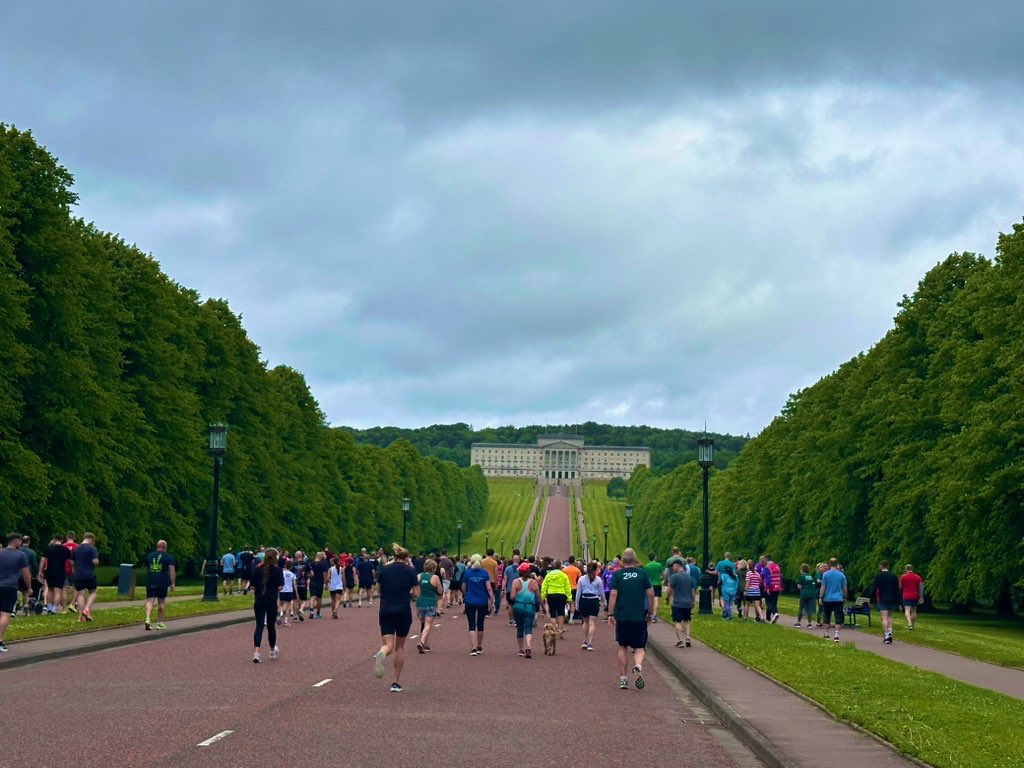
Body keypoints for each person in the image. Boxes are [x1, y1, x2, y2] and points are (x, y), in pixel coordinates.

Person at [373, 544, 419, 692]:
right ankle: (395, 682)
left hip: (386, 609)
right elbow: (417, 594)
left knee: (388, 645)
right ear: (406, 558)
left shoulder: (385, 569)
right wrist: (407, 593)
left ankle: (382, 652)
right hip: (403, 610)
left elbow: (378, 589)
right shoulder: (410, 571)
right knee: (400, 647)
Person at [608, 548, 654, 690]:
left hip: (622, 615)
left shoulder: (618, 575)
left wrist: (610, 613)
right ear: (635, 560)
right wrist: (650, 612)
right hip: (638, 615)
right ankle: (638, 665)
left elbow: (614, 595)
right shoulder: (642, 574)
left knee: (622, 647)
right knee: (639, 647)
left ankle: (623, 679)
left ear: (622, 560)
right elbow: (650, 593)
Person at [0, 533, 33, 653]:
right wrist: (29, 587)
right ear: (16, 541)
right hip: (10, 586)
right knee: (5, 613)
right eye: (20, 540)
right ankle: (0, 640)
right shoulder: (21, 555)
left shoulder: (0, 552)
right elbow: (26, 573)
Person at [251, 548, 283, 662]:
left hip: (259, 600)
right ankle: (272, 650)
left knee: (259, 625)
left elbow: (253, 586)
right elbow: (280, 586)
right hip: (271, 600)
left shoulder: (258, 569)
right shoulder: (277, 570)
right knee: (271, 626)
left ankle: (257, 652)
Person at [461, 553, 494, 656]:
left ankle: (473, 647)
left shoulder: (467, 573)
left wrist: (466, 595)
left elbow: (463, 587)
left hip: (470, 600)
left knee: (471, 625)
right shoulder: (484, 573)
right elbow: (488, 588)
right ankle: (479, 646)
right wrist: (491, 600)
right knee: (480, 624)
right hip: (482, 600)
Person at [143, 540, 176, 630]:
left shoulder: (150, 556)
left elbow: (147, 568)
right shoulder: (169, 557)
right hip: (162, 582)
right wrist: (173, 583)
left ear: (157, 546)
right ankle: (159, 622)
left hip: (151, 581)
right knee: (161, 602)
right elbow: (172, 570)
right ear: (165, 547)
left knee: (150, 601)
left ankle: (148, 619)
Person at [510, 562, 541, 657]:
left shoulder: (516, 581)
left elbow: (512, 596)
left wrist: (516, 598)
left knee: (519, 628)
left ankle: (520, 649)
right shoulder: (533, 582)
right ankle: (528, 645)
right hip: (529, 607)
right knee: (528, 628)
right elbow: (538, 597)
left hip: (518, 607)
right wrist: (542, 607)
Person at [575, 560, 606, 650]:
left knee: (585, 622)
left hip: (584, 600)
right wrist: (604, 602)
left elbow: (578, 593)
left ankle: (584, 641)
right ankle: (590, 643)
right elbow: (601, 593)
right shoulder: (598, 580)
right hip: (594, 601)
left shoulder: (581, 579)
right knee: (592, 623)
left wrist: (577, 603)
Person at [665, 558, 695, 647]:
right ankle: (688, 637)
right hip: (687, 603)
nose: (672, 569)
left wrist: (667, 598)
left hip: (677, 603)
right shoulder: (689, 577)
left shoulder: (675, 577)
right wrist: (693, 602)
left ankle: (680, 641)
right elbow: (693, 591)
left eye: (673, 567)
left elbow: (670, 590)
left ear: (677, 566)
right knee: (687, 621)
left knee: (677, 622)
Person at [870, 560, 902, 644]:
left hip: (882, 599)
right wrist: (899, 602)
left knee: (884, 617)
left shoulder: (878, 576)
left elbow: (874, 589)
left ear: (881, 566)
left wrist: (870, 599)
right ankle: (890, 631)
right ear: (888, 566)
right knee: (890, 616)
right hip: (892, 599)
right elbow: (897, 590)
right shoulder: (894, 576)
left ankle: (886, 635)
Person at [415, 559, 443, 653]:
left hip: (420, 603)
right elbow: (440, 591)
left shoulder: (418, 576)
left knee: (423, 624)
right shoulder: (434, 577)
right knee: (428, 625)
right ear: (433, 568)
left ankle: (426, 644)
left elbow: (414, 590)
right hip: (430, 602)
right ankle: (422, 642)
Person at [819, 558, 848, 643]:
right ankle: (836, 635)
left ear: (829, 564)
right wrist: (845, 596)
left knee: (827, 616)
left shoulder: (825, 575)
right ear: (837, 564)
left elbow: (823, 587)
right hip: (838, 598)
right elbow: (844, 588)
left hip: (828, 598)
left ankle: (827, 633)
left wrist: (821, 597)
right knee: (838, 617)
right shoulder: (841, 575)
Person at [40, 535, 70, 614]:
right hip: (60, 572)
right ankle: (54, 609)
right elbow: (70, 561)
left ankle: (49, 608)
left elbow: (42, 560)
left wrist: (40, 571)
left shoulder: (48, 549)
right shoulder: (65, 549)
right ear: (62, 540)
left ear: (54, 539)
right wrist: (73, 569)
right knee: (58, 592)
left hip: (50, 572)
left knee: (50, 590)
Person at [73, 533, 100, 622]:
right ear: (91, 539)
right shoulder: (92, 549)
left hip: (78, 574)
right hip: (89, 574)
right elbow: (95, 562)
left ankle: (80, 617)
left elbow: (71, 561)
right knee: (93, 592)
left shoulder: (76, 549)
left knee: (80, 594)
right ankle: (87, 609)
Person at [540, 559, 572, 631]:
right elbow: (567, 587)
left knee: (553, 613)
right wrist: (569, 598)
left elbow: (544, 586)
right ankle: (560, 629)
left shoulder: (548, 575)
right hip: (561, 594)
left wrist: (543, 595)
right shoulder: (564, 575)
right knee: (561, 613)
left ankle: (554, 629)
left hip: (551, 594)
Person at [899, 564, 924, 630]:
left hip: (906, 596)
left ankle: (909, 624)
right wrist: (921, 597)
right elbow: (921, 588)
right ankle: (912, 625)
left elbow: (900, 587)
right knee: (914, 611)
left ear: (905, 569)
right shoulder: (918, 577)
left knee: (907, 610)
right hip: (915, 596)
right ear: (912, 569)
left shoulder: (903, 577)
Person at [794, 563, 816, 628]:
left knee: (801, 607)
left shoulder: (802, 576)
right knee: (809, 608)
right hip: (811, 593)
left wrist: (800, 587)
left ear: (802, 569)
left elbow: (799, 586)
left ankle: (798, 622)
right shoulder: (811, 576)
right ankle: (809, 623)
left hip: (804, 593)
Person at [644, 552, 663, 623]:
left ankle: (648, 613)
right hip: (657, 584)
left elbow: (645, 576)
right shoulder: (659, 565)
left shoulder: (647, 566)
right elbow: (662, 574)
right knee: (656, 600)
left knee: (649, 598)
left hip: (649, 584)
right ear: (655, 557)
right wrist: (662, 579)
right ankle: (654, 616)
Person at [308, 551, 328, 619]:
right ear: (321, 557)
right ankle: (318, 613)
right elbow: (324, 575)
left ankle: (311, 611)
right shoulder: (323, 565)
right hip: (320, 582)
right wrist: (325, 583)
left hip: (312, 581)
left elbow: (308, 574)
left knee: (312, 596)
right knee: (319, 598)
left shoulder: (310, 564)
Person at [563, 556, 582, 623]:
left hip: (566, 588)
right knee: (572, 603)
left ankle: (565, 613)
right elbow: (580, 579)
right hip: (574, 587)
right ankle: (571, 619)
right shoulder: (577, 570)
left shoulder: (564, 570)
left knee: (565, 603)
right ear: (574, 561)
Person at [764, 556, 783, 624]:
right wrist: (781, 586)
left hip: (771, 587)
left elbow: (767, 578)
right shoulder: (777, 566)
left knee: (768, 603)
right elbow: (780, 576)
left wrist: (767, 588)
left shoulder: (767, 567)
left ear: (767, 560)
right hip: (777, 586)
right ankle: (769, 618)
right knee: (774, 603)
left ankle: (774, 613)